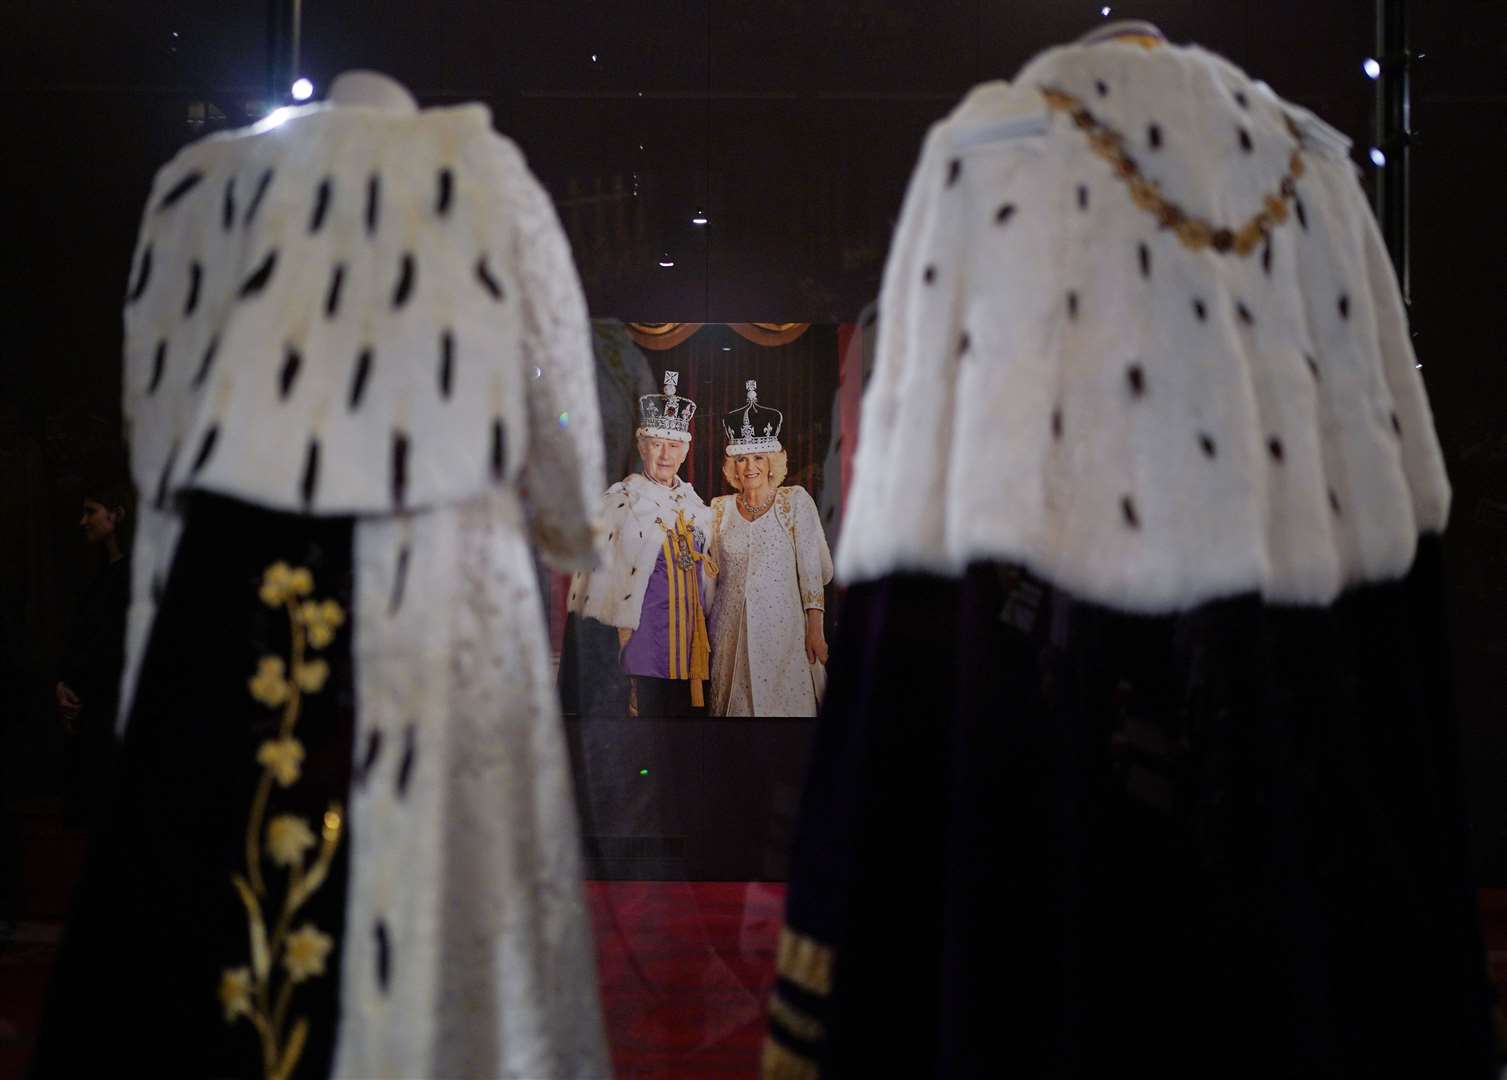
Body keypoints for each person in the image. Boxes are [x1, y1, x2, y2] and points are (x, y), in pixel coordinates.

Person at [567, 370, 717, 717]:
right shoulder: (619, 505)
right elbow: (599, 590)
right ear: (642, 446)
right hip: (640, 653)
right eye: (656, 444)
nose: (665, 455)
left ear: (685, 451)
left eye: (674, 445)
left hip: (691, 652)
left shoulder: (700, 510)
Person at [707, 381, 832, 717]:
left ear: (772, 460)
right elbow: (708, 578)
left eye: (759, 457)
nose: (750, 466)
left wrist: (815, 629)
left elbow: (811, 571)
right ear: (732, 466)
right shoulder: (719, 509)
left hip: (784, 637)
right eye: (743, 458)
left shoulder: (794, 502)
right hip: (730, 637)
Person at [55, 480, 132, 830]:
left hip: (111, 725)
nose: (83, 521)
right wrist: (63, 686)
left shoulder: (134, 577)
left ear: (116, 516)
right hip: (88, 721)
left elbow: (117, 652)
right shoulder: (99, 578)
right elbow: (82, 643)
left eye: (91, 511)